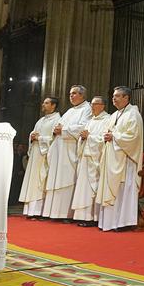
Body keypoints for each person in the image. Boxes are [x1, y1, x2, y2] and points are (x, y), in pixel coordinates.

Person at [96, 86, 144, 231]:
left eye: (117, 96)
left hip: (126, 161)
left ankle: (123, 223)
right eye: (113, 96)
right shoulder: (115, 115)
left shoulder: (133, 115)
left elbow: (133, 137)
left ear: (126, 98)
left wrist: (114, 137)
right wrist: (105, 136)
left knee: (123, 190)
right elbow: (107, 132)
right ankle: (109, 222)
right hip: (112, 158)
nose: (114, 99)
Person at [42, 86, 92, 220]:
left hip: (71, 149)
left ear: (82, 95)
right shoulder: (70, 110)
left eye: (74, 93)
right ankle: (52, 212)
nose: (71, 96)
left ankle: (66, 214)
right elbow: (58, 125)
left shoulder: (87, 109)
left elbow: (84, 127)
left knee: (68, 180)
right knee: (56, 179)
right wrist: (56, 129)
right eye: (70, 94)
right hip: (60, 148)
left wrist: (63, 130)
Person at [70, 96, 111, 226]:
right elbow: (83, 137)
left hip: (96, 159)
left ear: (102, 106)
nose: (92, 107)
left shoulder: (107, 120)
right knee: (83, 188)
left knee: (94, 188)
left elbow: (104, 139)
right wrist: (82, 138)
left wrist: (89, 137)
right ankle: (82, 216)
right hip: (86, 158)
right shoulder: (90, 121)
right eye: (92, 104)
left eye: (95, 104)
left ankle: (93, 217)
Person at [19, 97, 61, 219]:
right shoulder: (41, 120)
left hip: (45, 155)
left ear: (53, 106)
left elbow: (55, 140)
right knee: (33, 181)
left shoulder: (57, 120)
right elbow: (34, 134)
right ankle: (30, 210)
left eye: (46, 103)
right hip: (36, 154)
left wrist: (40, 138)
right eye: (43, 102)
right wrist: (32, 137)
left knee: (41, 181)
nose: (43, 104)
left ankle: (39, 210)